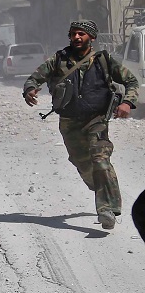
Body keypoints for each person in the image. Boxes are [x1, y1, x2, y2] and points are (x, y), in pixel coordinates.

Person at [23, 20, 138, 230]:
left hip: (97, 119)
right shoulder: (59, 59)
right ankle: (102, 187)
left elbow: (131, 81)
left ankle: (107, 209)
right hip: (69, 122)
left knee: (100, 160)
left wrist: (127, 103)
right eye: (73, 34)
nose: (77, 37)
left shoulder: (104, 60)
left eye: (81, 34)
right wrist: (30, 89)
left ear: (91, 38)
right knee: (83, 164)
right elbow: (35, 77)